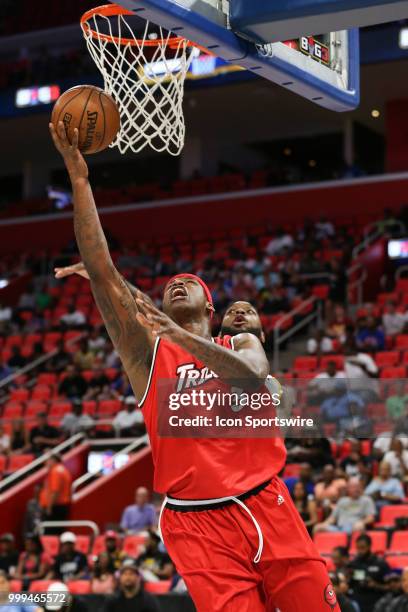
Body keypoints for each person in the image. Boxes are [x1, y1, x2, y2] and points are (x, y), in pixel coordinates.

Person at [50, 121, 340, 611]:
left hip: (265, 501)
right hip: (194, 522)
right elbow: (101, 270)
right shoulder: (150, 356)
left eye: (190, 282)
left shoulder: (241, 339)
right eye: (170, 284)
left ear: (211, 308)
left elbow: (250, 379)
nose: (177, 284)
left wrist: (177, 331)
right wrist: (80, 179)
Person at [347, 533, 391, 612]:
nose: (360, 551)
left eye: (363, 548)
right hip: (356, 601)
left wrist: (375, 585)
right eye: (358, 548)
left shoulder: (380, 564)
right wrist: (348, 577)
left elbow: (391, 587)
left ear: (369, 546)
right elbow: (349, 584)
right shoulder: (353, 563)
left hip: (376, 601)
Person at [39, 453, 72, 523]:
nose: (46, 463)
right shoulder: (63, 470)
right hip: (61, 506)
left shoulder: (56, 471)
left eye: (48, 460)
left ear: (53, 460)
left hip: (55, 507)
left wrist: (49, 508)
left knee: (50, 532)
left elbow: (55, 491)